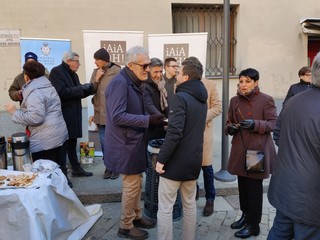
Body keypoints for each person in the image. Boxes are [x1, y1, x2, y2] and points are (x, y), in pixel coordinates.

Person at [104, 46, 166, 240]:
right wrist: (148, 121)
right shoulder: (120, 83)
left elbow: (137, 109)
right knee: (131, 185)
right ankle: (125, 226)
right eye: (145, 65)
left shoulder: (134, 81)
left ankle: (136, 216)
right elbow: (117, 116)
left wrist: (154, 117)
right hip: (124, 144)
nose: (147, 68)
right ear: (130, 65)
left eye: (148, 65)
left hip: (133, 142)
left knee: (137, 182)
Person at [267, 53, 320, 240]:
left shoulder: (293, 100)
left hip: (286, 190)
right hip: (310, 201)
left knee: (279, 233)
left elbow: (278, 135)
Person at [156, 57, 208, 240]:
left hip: (175, 163)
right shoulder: (202, 99)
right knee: (189, 205)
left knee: (165, 208)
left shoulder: (180, 98)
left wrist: (161, 160)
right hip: (194, 160)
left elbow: (175, 133)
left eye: (179, 72)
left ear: (186, 77)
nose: (176, 74)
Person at [225, 68, 277, 238]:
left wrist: (255, 124)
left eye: (247, 81)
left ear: (256, 82)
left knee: (254, 189)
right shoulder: (234, 101)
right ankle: (245, 216)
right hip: (240, 149)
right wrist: (230, 128)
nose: (243, 85)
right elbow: (229, 122)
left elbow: (273, 124)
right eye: (241, 81)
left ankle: (254, 225)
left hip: (256, 150)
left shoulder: (266, 100)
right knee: (242, 186)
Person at [5, 61, 68, 166]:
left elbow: (36, 118)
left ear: (26, 76)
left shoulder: (35, 92)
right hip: (58, 135)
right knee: (59, 171)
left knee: (45, 175)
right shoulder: (48, 86)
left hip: (45, 141)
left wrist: (14, 112)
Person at [49, 51, 94, 187]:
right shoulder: (56, 72)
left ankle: (76, 168)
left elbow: (77, 92)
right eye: (77, 62)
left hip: (74, 113)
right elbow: (61, 92)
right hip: (63, 115)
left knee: (72, 142)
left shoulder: (72, 73)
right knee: (63, 146)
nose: (79, 65)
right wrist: (81, 88)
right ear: (69, 61)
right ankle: (63, 174)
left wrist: (89, 88)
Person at [88, 48, 121, 180]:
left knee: (114, 141)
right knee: (103, 141)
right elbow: (90, 90)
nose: (95, 62)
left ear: (104, 60)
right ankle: (108, 166)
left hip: (113, 113)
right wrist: (96, 79)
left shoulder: (117, 71)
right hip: (99, 113)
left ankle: (116, 167)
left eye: (97, 60)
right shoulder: (96, 71)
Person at [197, 77, 222, 216]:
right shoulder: (180, 83)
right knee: (190, 165)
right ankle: (193, 193)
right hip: (187, 133)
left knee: (206, 167)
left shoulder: (210, 84)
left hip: (204, 130)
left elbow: (218, 107)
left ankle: (210, 199)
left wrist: (200, 116)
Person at [144, 57, 168, 141]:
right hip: (151, 127)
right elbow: (149, 105)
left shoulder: (164, 83)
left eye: (161, 71)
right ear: (149, 71)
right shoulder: (145, 85)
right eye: (156, 72)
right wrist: (164, 119)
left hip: (163, 126)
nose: (159, 75)